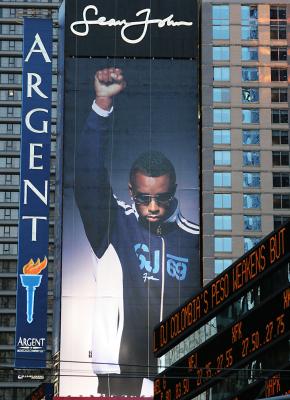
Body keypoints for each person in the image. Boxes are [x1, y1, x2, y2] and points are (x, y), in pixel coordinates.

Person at [75, 67, 200, 396]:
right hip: (118, 382)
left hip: (177, 381)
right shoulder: (116, 224)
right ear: (132, 191)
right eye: (144, 198)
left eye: (162, 197)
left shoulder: (194, 240)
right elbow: (88, 179)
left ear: (174, 191)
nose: (154, 206)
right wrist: (102, 105)